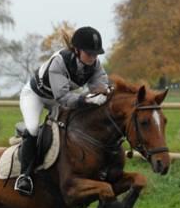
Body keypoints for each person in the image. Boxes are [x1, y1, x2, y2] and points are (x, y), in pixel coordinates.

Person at [14, 26, 110, 196]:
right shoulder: (59, 62)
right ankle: (25, 176)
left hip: (59, 98)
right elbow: (64, 98)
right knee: (34, 128)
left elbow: (99, 86)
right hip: (35, 96)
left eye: (96, 54)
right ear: (77, 50)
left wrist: (105, 92)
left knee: (73, 126)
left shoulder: (94, 64)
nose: (93, 57)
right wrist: (86, 99)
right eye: (89, 53)